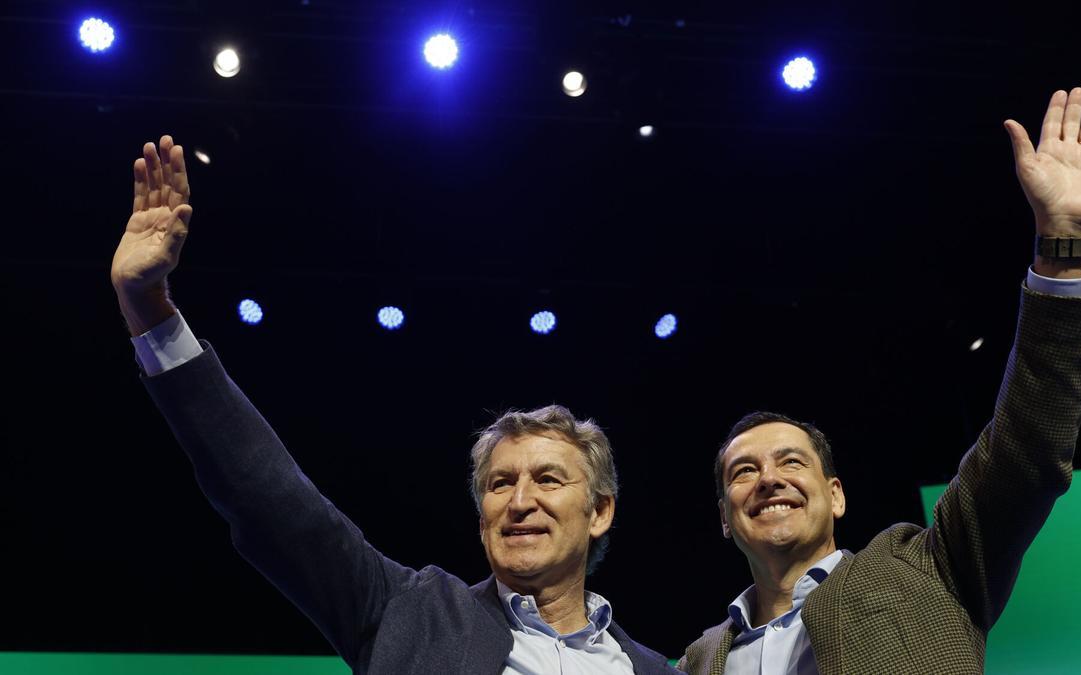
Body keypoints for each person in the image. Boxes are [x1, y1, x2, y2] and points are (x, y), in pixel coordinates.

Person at [109, 136, 676, 674]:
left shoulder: (653, 669)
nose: (519, 501)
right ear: (482, 517)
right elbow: (266, 495)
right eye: (500, 484)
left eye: (548, 479)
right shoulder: (409, 614)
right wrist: (148, 307)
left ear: (600, 511)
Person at [678, 86, 1081, 674]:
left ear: (836, 494)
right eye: (744, 472)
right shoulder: (695, 661)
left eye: (791, 462)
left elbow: (1026, 451)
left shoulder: (930, 570)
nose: (768, 480)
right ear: (722, 515)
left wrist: (1062, 247)